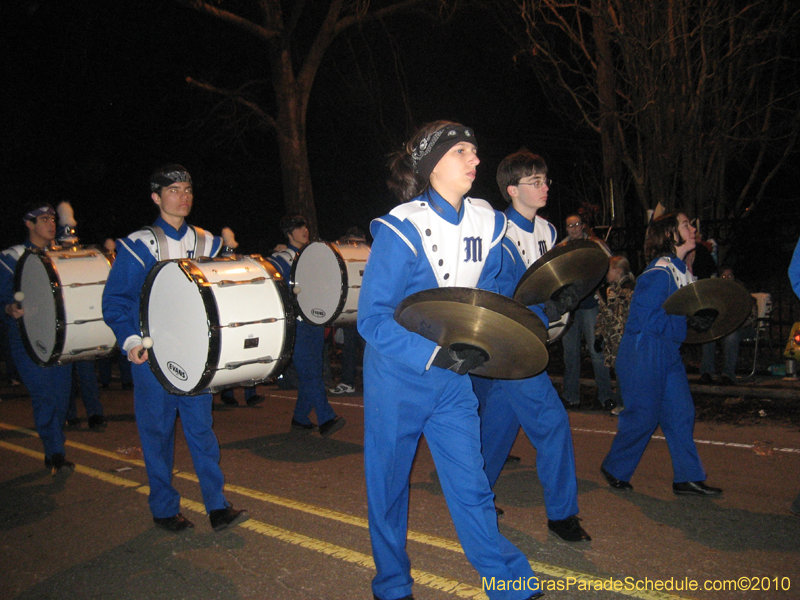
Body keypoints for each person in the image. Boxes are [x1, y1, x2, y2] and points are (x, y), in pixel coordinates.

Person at [358, 121, 542, 600]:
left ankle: (510, 582)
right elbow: (372, 320)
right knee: (389, 491)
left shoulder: (486, 221)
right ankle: (392, 584)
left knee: (472, 485)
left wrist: (544, 308)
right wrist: (435, 353)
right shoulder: (402, 227)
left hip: (452, 380)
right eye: (462, 151)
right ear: (432, 164)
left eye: (475, 150)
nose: (474, 159)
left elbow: (505, 290)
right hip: (398, 377)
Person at [102, 164, 249, 532]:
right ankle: (164, 508)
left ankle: (216, 505)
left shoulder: (207, 242)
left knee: (202, 429)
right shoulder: (138, 245)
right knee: (158, 433)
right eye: (173, 190)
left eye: (187, 189)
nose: (183, 196)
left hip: (197, 354)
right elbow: (115, 301)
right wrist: (131, 340)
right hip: (151, 357)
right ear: (156, 197)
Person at [471, 150, 589, 543]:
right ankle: (561, 515)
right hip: (511, 346)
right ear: (512, 189)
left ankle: (475, 500)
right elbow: (492, 296)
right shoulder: (497, 234)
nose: (544, 187)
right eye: (534, 181)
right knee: (552, 423)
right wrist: (542, 307)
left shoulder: (549, 232)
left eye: (545, 179)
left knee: (497, 429)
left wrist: (565, 296)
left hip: (527, 344)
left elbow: (550, 280)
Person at [601, 212, 722, 497]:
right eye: (685, 225)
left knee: (680, 413)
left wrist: (696, 321)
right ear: (670, 235)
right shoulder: (659, 272)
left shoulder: (681, 270)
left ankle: (687, 477)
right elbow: (645, 319)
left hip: (665, 352)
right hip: (644, 352)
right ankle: (615, 467)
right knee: (643, 417)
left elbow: (674, 319)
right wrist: (687, 321)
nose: (692, 228)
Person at [1, 203, 75, 475]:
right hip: (26, 339)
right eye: (44, 219)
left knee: (61, 398)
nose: (51, 224)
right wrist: (8, 308)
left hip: (61, 337)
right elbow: (2, 298)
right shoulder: (11, 258)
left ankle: (55, 447)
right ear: (30, 224)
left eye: (53, 219)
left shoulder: (61, 254)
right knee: (45, 397)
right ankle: (54, 452)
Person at [268, 215, 345, 436]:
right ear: (289, 233)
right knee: (311, 373)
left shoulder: (314, 255)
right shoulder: (280, 259)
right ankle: (326, 418)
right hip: (298, 324)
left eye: (304, 226)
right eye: (298, 228)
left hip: (316, 322)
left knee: (311, 372)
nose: (304, 230)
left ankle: (301, 418)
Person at [55, 202, 107, 431]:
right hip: (65, 327)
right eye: (66, 244)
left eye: (72, 243)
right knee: (65, 378)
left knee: (87, 376)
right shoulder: (53, 261)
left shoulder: (84, 259)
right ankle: (70, 414)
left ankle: (95, 413)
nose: (70, 247)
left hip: (83, 325)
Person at [558, 214, 613, 409]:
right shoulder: (561, 249)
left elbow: (611, 265)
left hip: (590, 305)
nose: (573, 228)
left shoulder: (594, 244)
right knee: (570, 354)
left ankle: (605, 395)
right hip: (570, 309)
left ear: (583, 226)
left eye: (576, 224)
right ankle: (571, 395)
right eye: (569, 225)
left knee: (597, 351)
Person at [594, 255, 636, 414]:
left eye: (609, 269)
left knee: (626, 371)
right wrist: (598, 334)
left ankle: (626, 403)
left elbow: (623, 315)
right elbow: (603, 314)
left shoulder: (630, 289)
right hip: (614, 339)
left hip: (625, 338)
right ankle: (622, 402)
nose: (606, 273)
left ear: (618, 270)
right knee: (619, 371)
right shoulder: (609, 289)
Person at [329, 226, 368, 395]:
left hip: (362, 312)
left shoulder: (368, 254)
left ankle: (354, 382)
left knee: (362, 350)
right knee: (351, 349)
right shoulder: (366, 254)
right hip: (355, 311)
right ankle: (349, 381)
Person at [698, 265, 742, 386]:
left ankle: (728, 375)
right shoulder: (715, 293)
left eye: (730, 276)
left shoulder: (740, 292)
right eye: (724, 276)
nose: (727, 278)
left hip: (737, 328)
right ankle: (707, 373)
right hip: (719, 327)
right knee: (709, 335)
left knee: (731, 337)